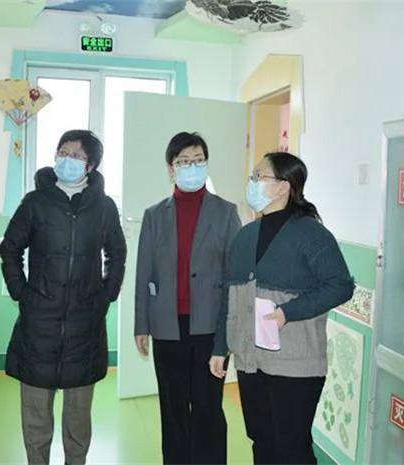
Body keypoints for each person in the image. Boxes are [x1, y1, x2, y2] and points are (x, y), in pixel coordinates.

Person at [210, 152, 355, 465]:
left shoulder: (312, 234)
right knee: (261, 440)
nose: (252, 183)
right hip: (250, 362)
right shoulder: (245, 237)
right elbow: (228, 297)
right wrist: (220, 347)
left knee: (291, 448)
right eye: (252, 177)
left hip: (296, 365)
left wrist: (288, 312)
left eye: (259, 176)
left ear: (283, 186)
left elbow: (341, 285)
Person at [0, 129, 126, 465]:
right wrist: (21, 292)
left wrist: (106, 296)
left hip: (85, 325)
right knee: (36, 417)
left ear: (91, 166)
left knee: (78, 419)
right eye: (63, 152)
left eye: (77, 155)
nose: (68, 160)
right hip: (38, 324)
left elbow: (117, 253)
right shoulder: (35, 202)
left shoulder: (104, 207)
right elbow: (10, 248)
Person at [134, 132, 241, 464]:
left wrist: (228, 332)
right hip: (167, 326)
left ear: (206, 164)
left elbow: (235, 277)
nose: (191, 167)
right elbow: (143, 273)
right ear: (171, 168)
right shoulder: (154, 215)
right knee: (173, 406)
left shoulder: (226, 212)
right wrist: (141, 325)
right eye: (183, 162)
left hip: (210, 326)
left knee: (208, 407)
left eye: (198, 161)